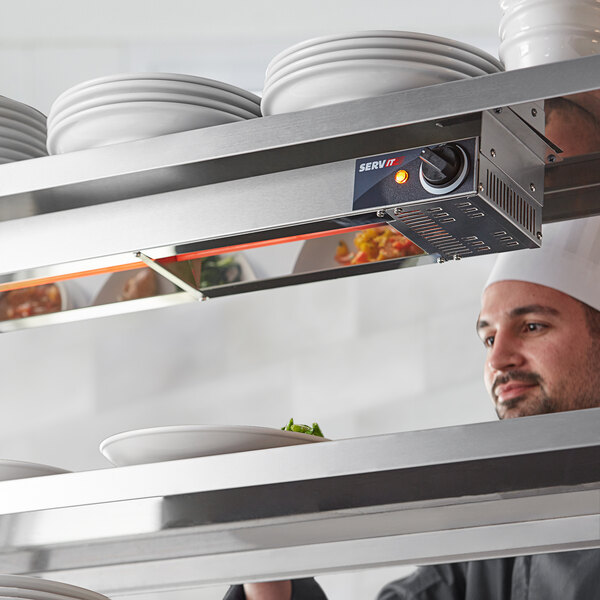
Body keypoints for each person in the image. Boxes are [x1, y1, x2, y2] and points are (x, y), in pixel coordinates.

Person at [225, 96, 600, 600]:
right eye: (488, 337)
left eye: (532, 327)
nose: (497, 359)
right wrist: (266, 555)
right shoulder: (496, 532)